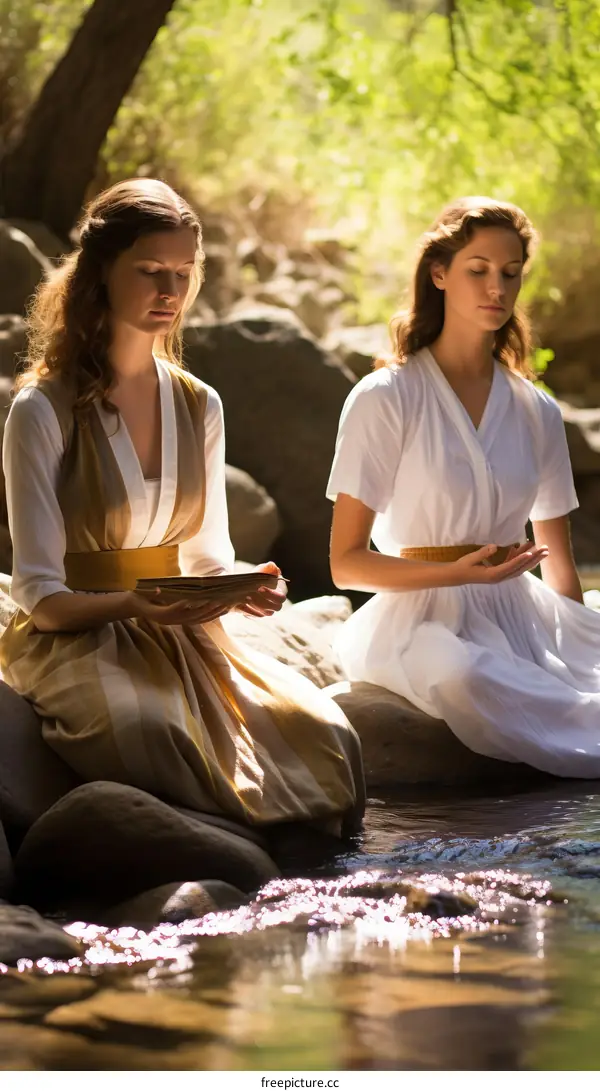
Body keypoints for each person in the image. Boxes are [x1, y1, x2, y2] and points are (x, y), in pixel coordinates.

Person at [0, 178, 364, 833]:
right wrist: (135, 603)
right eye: (149, 271)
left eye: (183, 272)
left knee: (330, 730)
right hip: (76, 635)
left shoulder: (201, 405)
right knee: (151, 728)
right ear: (101, 273)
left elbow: (204, 559)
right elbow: (41, 596)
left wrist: (240, 589)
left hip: (182, 631)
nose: (170, 291)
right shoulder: (40, 410)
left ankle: (276, 853)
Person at [327, 195, 600, 779]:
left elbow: (559, 566)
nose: (495, 288)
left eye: (510, 273)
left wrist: (574, 645)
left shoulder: (537, 411)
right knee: (465, 675)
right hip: (417, 616)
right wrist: (460, 574)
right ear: (440, 272)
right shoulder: (385, 398)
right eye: (477, 270)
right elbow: (346, 566)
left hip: (519, 613)